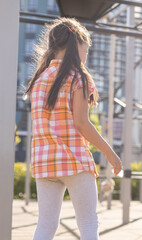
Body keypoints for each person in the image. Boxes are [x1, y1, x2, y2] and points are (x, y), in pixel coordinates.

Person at [24, 18, 122, 240]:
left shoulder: (38, 80)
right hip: (74, 160)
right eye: (85, 49)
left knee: (46, 225)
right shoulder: (78, 76)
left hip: (44, 162)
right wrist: (109, 152)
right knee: (88, 222)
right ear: (75, 45)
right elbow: (81, 122)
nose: (86, 55)